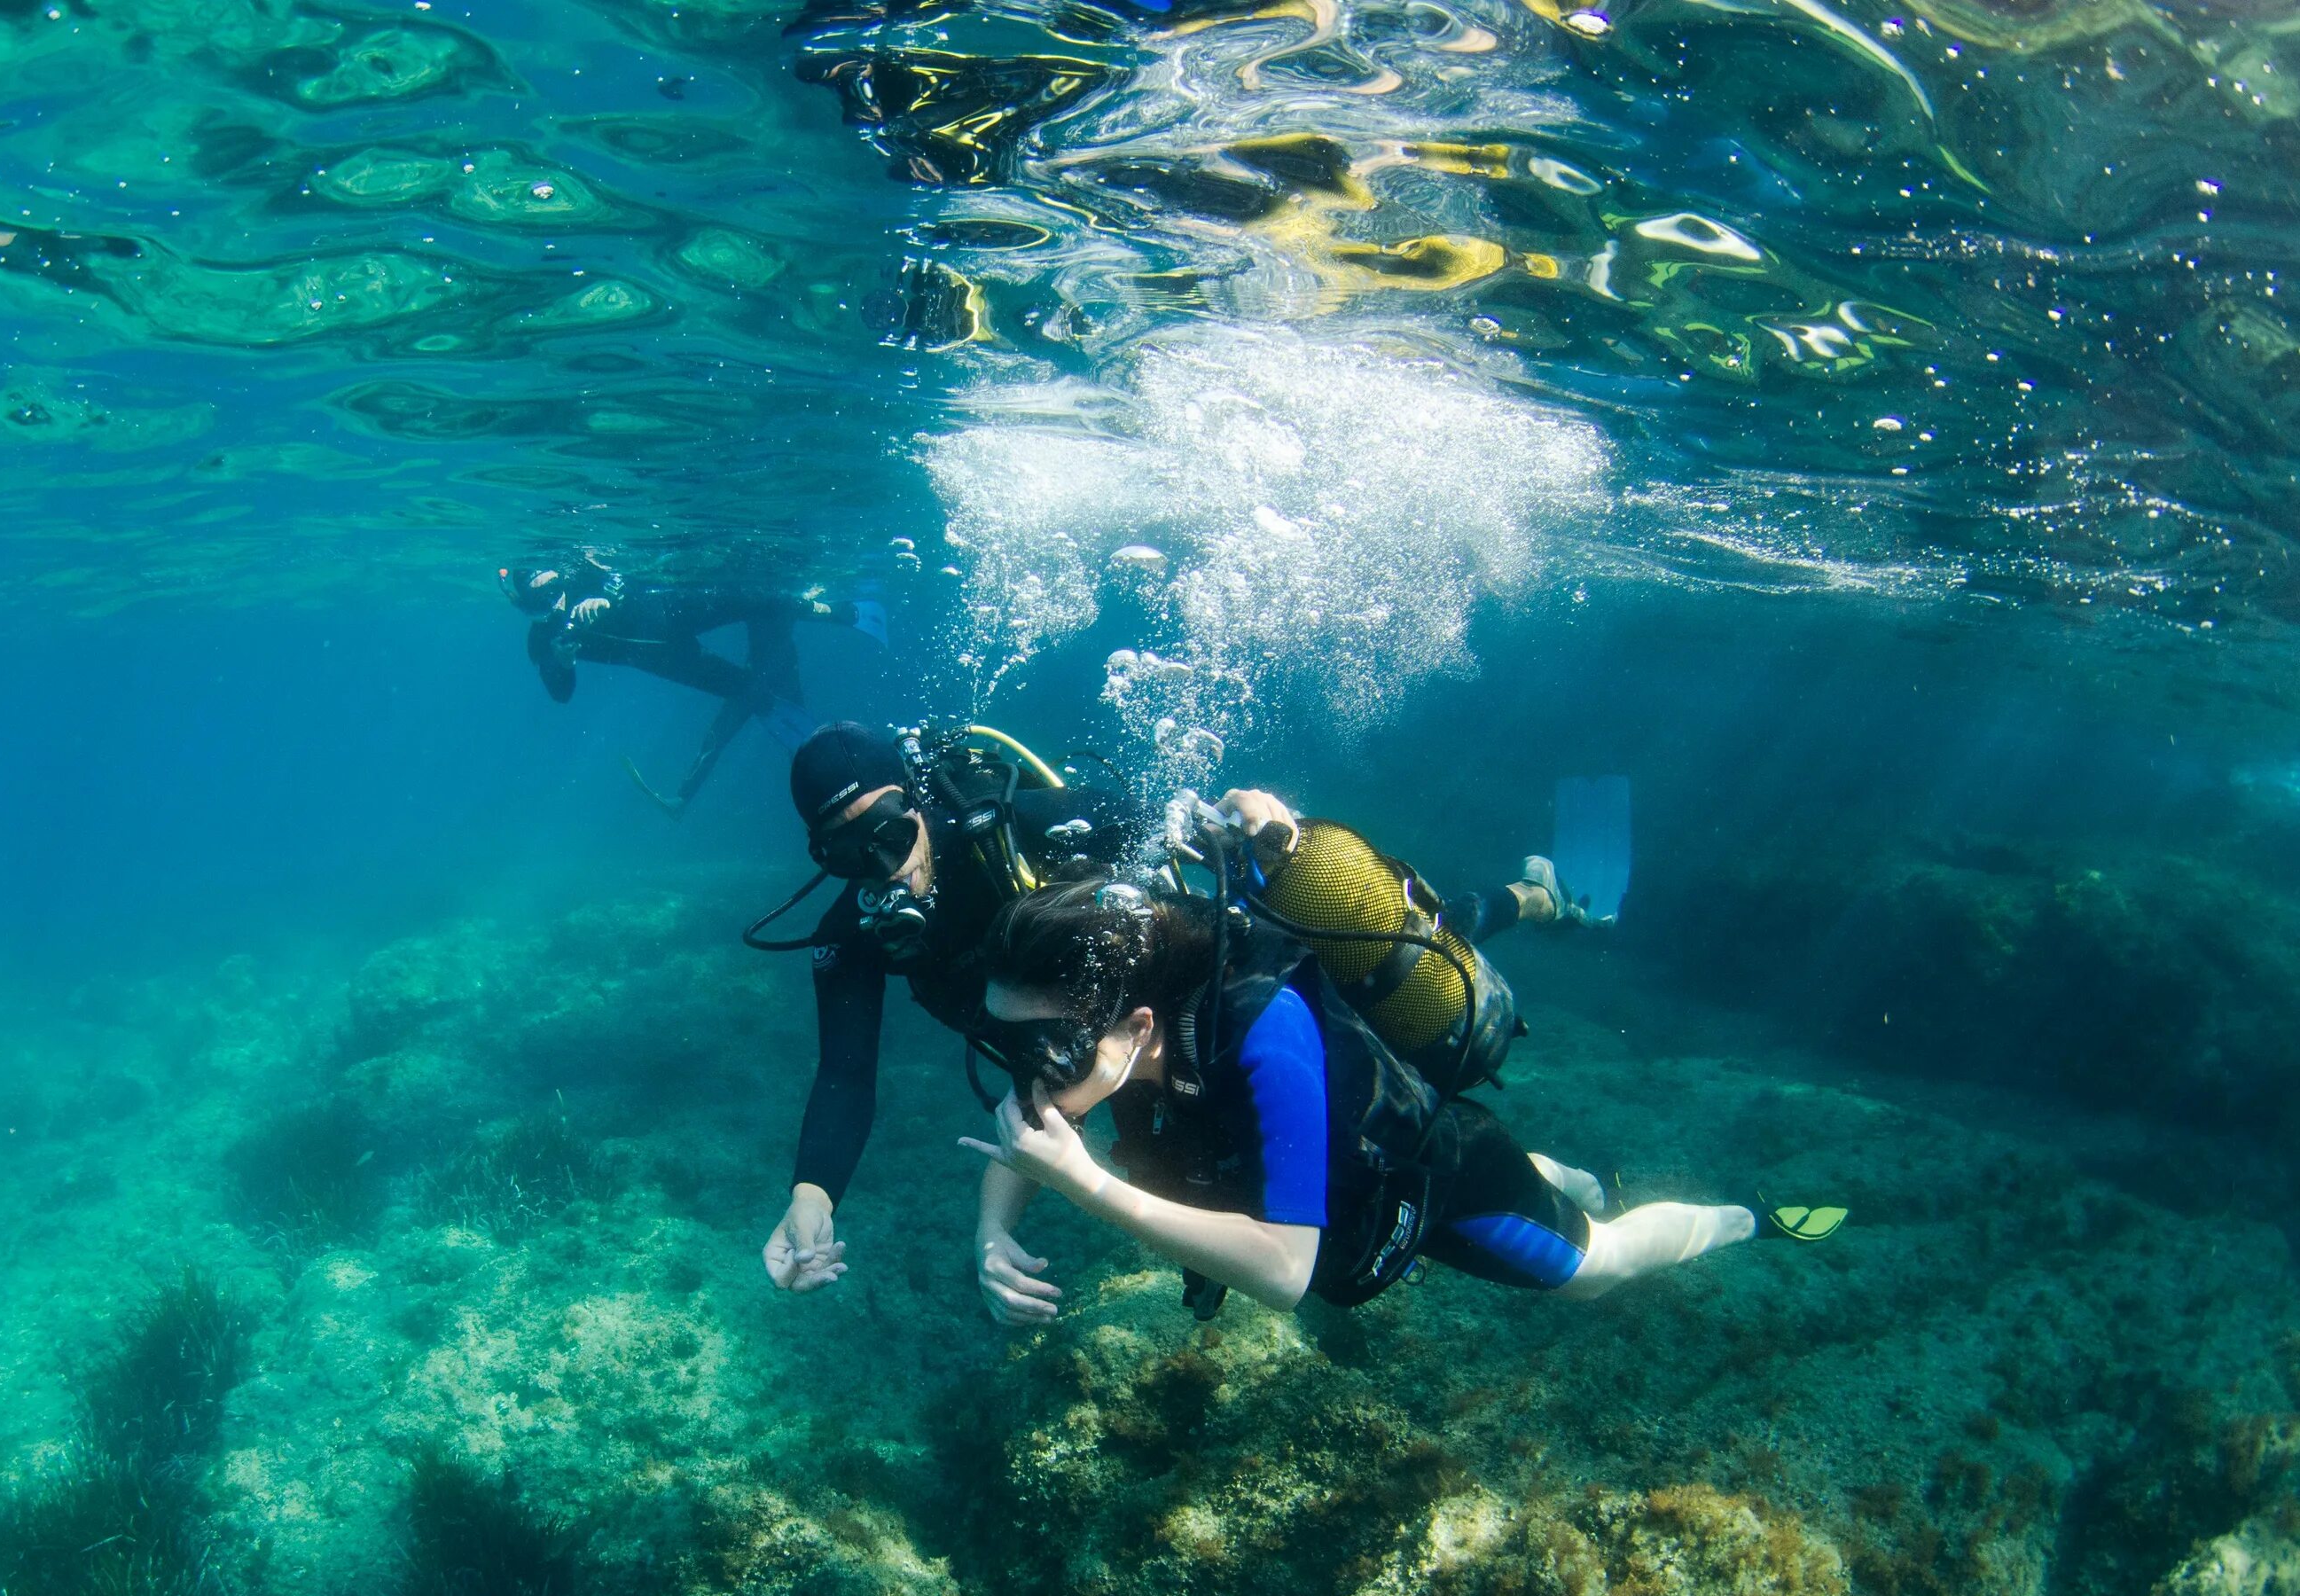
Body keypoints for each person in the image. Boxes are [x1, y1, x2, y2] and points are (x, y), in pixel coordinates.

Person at [956, 863, 1756, 1326]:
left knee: (1596, 1269)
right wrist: (994, 1231)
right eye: (1004, 1045)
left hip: (1430, 1176)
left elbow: (1280, 1274)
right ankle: (1557, 1175)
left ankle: (1743, 1220)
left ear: (1136, 1027)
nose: (1030, 1075)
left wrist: (1086, 1185)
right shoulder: (1097, 1053)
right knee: (1551, 1200)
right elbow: (1026, 1135)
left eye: (1045, 1048)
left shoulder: (1266, 1033)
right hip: (1328, 1186)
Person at [755, 720, 1138, 1295]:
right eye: (844, 853)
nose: (883, 867)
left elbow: (1149, 826)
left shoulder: (1001, 833)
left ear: (915, 800)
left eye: (888, 833)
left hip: (1144, 1028)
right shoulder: (853, 932)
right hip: (1060, 1079)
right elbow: (845, 1073)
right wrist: (812, 1193)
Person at [499, 552, 837, 813]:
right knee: (750, 691)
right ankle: (809, 764)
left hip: (668, 610)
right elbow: (560, 694)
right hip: (664, 659)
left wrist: (611, 598)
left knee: (746, 599)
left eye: (554, 590)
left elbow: (622, 573)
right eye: (538, 601)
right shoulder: (543, 639)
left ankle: (828, 610)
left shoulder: (580, 573)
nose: (554, 603)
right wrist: (564, 664)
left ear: (561, 578)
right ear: (525, 604)